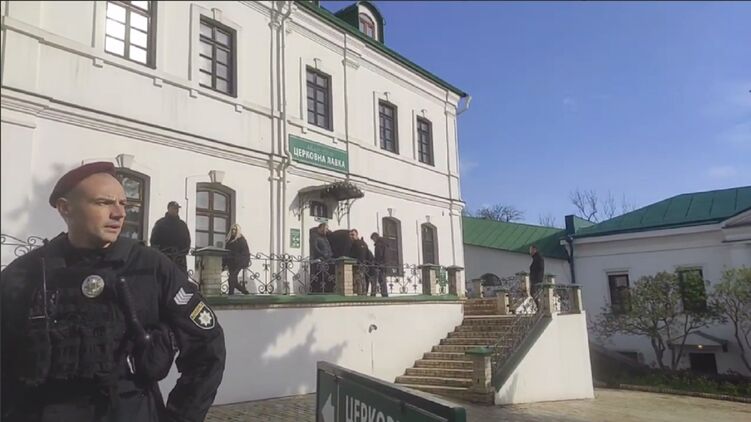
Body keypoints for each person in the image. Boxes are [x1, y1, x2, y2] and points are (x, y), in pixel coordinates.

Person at [0, 162, 226, 422]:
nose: (119, 213)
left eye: (123, 204)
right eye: (103, 202)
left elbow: (207, 348)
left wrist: (180, 417)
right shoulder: (26, 272)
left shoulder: (150, 267)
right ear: (65, 208)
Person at [150, 201, 191, 273]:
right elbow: (153, 241)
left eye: (177, 209)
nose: (176, 210)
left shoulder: (182, 225)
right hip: (164, 258)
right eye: (174, 208)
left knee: (180, 278)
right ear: (168, 209)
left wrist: (181, 252)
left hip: (179, 261)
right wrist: (161, 253)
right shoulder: (160, 223)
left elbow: (187, 241)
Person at [223, 224, 250, 295]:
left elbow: (246, 253)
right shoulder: (229, 241)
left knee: (231, 279)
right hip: (231, 263)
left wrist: (244, 263)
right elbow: (226, 253)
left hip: (238, 263)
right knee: (234, 281)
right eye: (232, 229)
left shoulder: (241, 240)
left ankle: (230, 295)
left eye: (235, 229)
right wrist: (223, 264)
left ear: (238, 231)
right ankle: (245, 292)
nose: (233, 231)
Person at [349, 229, 374, 295]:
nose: (351, 236)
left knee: (359, 281)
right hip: (363, 265)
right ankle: (363, 294)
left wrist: (359, 263)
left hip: (358, 265)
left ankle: (361, 295)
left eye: (353, 235)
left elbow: (357, 255)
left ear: (357, 235)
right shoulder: (363, 243)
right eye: (350, 235)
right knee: (362, 281)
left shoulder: (357, 244)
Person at [310, 223, 333, 293]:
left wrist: (330, 254)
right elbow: (315, 248)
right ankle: (317, 290)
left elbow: (328, 247)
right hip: (319, 260)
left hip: (328, 260)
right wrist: (323, 254)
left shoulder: (325, 238)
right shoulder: (315, 236)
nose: (327, 230)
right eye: (326, 229)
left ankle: (327, 290)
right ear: (321, 228)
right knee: (319, 277)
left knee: (327, 277)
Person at [370, 232, 389, 297]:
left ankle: (373, 294)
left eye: (373, 239)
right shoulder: (385, 243)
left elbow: (379, 255)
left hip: (380, 264)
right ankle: (384, 294)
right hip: (385, 264)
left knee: (376, 279)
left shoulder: (379, 244)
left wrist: (376, 263)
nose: (373, 241)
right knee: (383, 280)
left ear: (375, 237)